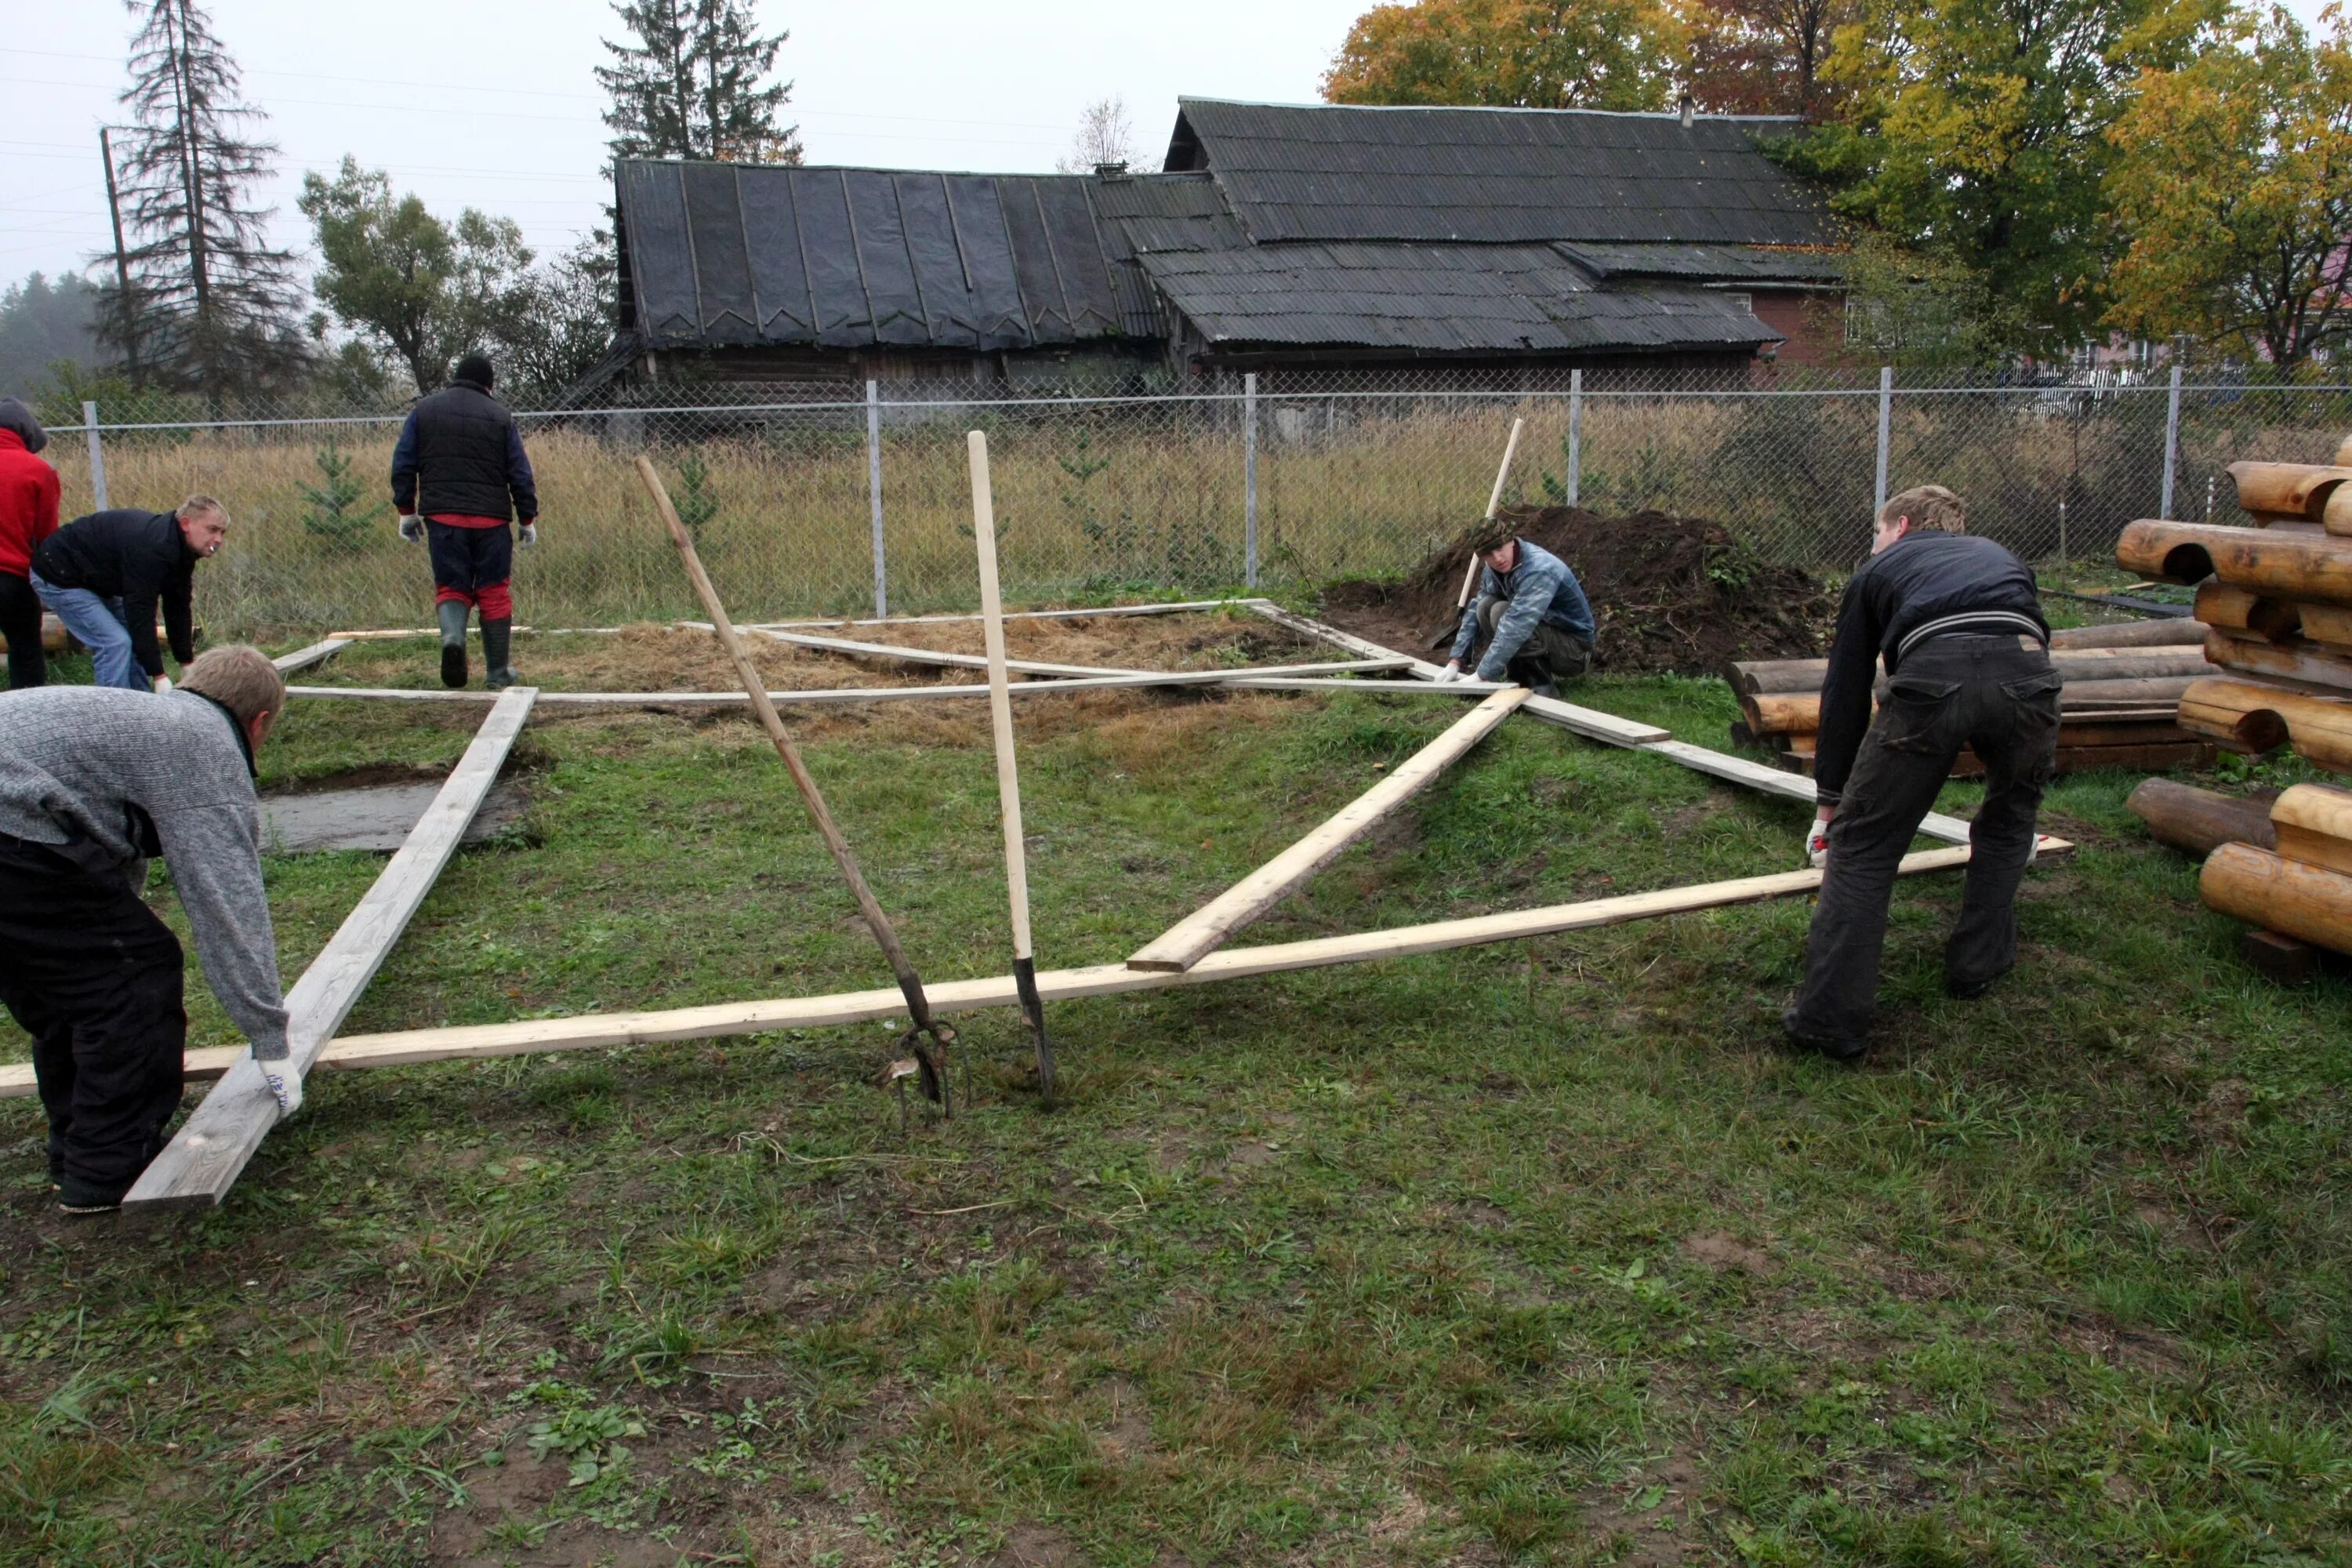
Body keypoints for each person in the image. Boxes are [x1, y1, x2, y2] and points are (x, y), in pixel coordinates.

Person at [0, 645, 301, 1214]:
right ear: (258, 722)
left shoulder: (140, 719)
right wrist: (269, 1037)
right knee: (134, 981)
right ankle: (109, 1169)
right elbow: (227, 904)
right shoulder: (203, 745)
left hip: (19, 826)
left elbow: (110, 849)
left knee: (73, 990)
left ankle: (79, 1148)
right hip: (12, 832)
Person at [1784, 485, 2058, 1061]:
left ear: (1900, 526)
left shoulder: (1879, 570)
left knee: (1863, 848)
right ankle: (1976, 966)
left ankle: (1828, 1024)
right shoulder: (2000, 556)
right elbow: (2027, 630)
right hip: (2028, 674)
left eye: (1878, 533)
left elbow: (1846, 692)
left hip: (1934, 673)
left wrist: (1830, 805)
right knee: (2009, 821)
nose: (1876, 543)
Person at [390, 350, 539, 690]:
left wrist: (407, 512)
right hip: (492, 522)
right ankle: (497, 673)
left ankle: (453, 640)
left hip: (444, 520)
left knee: (451, 587)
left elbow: (403, 464)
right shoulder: (501, 417)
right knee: (494, 590)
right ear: (489, 386)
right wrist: (527, 518)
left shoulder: (424, 411)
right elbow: (520, 473)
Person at [28, 495, 226, 692]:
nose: (218, 540)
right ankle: (113, 714)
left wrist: (186, 661)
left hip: (95, 578)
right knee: (114, 643)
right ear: (186, 524)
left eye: (222, 533)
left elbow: (178, 607)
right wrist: (159, 675)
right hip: (59, 574)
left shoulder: (183, 550)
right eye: (212, 530)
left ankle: (142, 704)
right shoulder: (154, 549)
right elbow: (140, 611)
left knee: (130, 635)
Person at [1439, 524, 1596, 695]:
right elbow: (1476, 607)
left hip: (1574, 651)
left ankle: (1541, 686)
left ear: (1511, 541)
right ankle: (1518, 678)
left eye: (1499, 549)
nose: (1498, 558)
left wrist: (1482, 675)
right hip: (1547, 632)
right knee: (1485, 606)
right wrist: (1455, 661)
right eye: (1489, 554)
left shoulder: (1539, 569)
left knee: (1501, 612)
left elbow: (1517, 624)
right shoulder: (1494, 569)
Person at [0, 397, 60, 689]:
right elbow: (47, 535)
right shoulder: (39, 471)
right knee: (26, 652)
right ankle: (24, 723)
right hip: (12, 581)